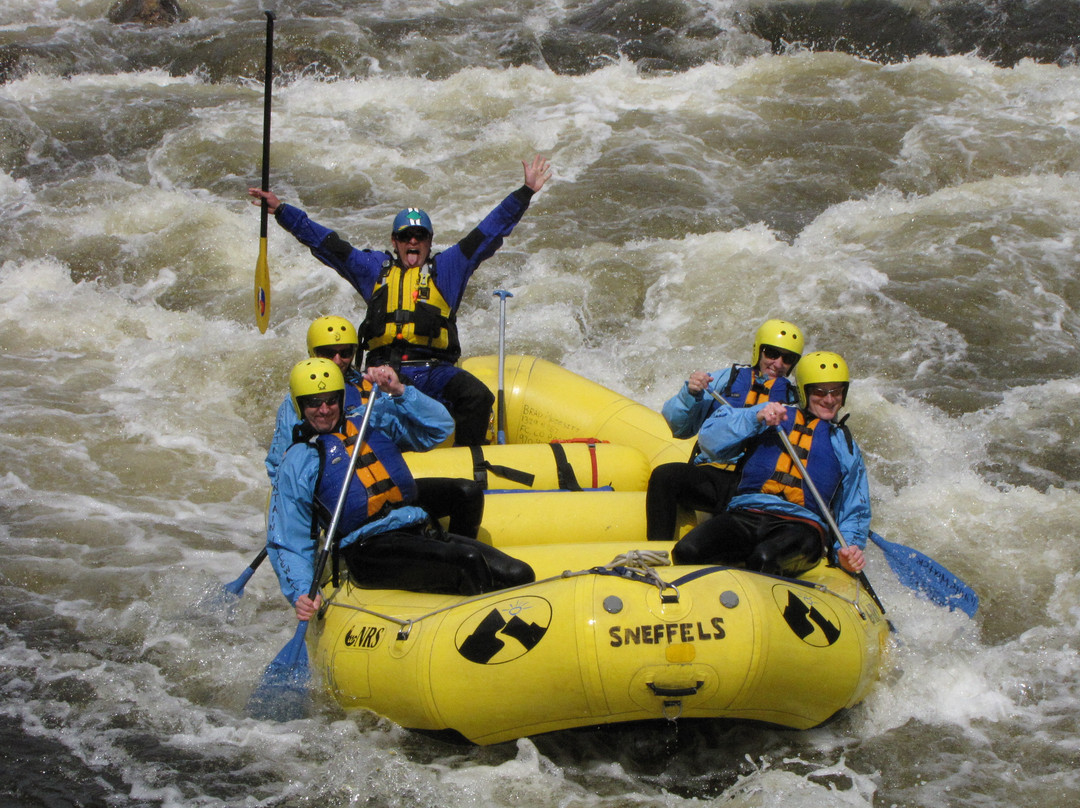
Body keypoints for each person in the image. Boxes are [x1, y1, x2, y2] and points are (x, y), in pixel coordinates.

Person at [248, 154, 553, 447]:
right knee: (348, 408)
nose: (413, 242)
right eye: (405, 236)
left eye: (420, 236)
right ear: (394, 242)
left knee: (477, 396)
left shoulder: (447, 269)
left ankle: (467, 465)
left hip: (433, 371)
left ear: (429, 242)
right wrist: (283, 212)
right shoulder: (373, 270)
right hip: (381, 372)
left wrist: (525, 192)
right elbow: (329, 245)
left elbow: (488, 231)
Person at [267, 358, 535, 620]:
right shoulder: (299, 460)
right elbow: (289, 537)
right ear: (299, 405)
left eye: (331, 400)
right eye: (314, 403)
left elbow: (439, 428)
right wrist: (302, 592)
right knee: (468, 560)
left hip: (415, 527)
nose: (324, 409)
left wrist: (399, 391)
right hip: (368, 550)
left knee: (519, 573)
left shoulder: (368, 423)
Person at [266, 316, 486, 538]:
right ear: (312, 352)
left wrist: (400, 390)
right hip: (338, 499)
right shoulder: (299, 400)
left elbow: (439, 429)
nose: (337, 360)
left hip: (386, 489)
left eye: (345, 352)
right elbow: (280, 464)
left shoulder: (372, 391)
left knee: (466, 493)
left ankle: (454, 552)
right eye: (327, 352)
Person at [670, 351, 868, 577]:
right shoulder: (772, 415)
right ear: (804, 391)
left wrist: (848, 549)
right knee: (687, 551)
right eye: (820, 392)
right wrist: (755, 418)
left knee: (764, 558)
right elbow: (710, 442)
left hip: (802, 527)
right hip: (748, 513)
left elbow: (855, 508)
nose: (829, 399)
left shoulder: (844, 444)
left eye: (837, 392)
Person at [646, 319, 804, 540]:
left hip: (749, 486)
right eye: (772, 353)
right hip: (709, 474)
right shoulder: (725, 379)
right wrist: (689, 395)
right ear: (758, 351)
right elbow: (680, 428)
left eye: (787, 359)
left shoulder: (794, 401)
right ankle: (656, 551)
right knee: (665, 476)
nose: (777, 363)